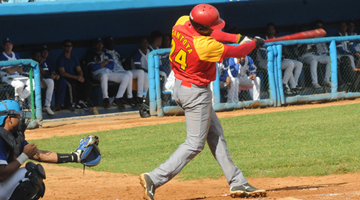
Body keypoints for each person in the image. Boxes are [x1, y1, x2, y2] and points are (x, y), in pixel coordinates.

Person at [139, 4, 266, 200]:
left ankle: (237, 181)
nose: (214, 29)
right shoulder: (204, 47)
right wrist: (253, 44)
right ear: (202, 28)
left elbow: (214, 34)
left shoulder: (181, 23)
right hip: (195, 94)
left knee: (215, 134)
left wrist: (239, 37)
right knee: (194, 144)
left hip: (182, 86)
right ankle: (154, 178)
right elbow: (236, 52)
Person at [0, 100, 83, 200]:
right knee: (31, 175)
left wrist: (76, 157)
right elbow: (0, 175)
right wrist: (24, 155)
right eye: (18, 115)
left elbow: (39, 155)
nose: (21, 118)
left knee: (37, 184)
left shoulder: (12, 137)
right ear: (9, 119)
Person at [86, 37, 133, 109]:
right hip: (97, 74)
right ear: (94, 45)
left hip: (108, 72)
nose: (100, 45)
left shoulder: (107, 55)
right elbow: (93, 67)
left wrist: (100, 65)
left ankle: (118, 98)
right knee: (104, 76)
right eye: (98, 44)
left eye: (101, 44)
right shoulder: (91, 55)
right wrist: (105, 63)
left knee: (126, 77)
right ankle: (105, 99)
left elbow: (111, 66)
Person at [258, 23, 303, 95]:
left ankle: (286, 84)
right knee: (284, 65)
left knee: (292, 64)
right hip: (264, 62)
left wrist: (282, 55)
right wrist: (278, 57)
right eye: (269, 29)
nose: (271, 30)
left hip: (276, 61)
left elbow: (283, 53)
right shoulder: (263, 40)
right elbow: (264, 56)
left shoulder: (277, 40)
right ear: (267, 31)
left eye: (273, 29)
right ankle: (288, 87)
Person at [104, 37, 148, 103]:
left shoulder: (116, 52)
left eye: (112, 42)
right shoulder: (104, 53)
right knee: (129, 74)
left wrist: (126, 66)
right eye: (110, 43)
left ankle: (140, 96)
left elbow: (124, 61)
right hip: (114, 73)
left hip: (122, 71)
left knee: (140, 72)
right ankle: (129, 97)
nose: (111, 44)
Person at [57, 39, 93, 111]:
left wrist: (80, 76)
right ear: (63, 47)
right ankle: (72, 103)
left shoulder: (74, 57)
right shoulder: (61, 58)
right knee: (72, 85)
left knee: (88, 83)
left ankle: (82, 101)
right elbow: (62, 73)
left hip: (74, 76)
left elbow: (79, 69)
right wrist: (76, 77)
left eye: (70, 46)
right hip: (65, 77)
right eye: (67, 46)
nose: (69, 47)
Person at [0, 38, 34, 108]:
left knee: (33, 82)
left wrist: (13, 68)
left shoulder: (15, 55)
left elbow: (20, 70)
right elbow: (9, 72)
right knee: (19, 85)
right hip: (6, 77)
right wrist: (16, 66)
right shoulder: (2, 57)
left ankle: (19, 99)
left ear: (12, 46)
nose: (8, 46)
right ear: (3, 46)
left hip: (17, 76)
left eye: (10, 44)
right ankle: (18, 101)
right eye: (6, 45)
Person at [40, 45, 68, 112]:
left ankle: (59, 104)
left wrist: (55, 75)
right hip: (43, 80)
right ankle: (47, 105)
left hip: (50, 80)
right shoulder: (38, 62)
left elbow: (53, 71)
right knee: (50, 81)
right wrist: (50, 76)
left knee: (62, 82)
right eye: (44, 51)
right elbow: (43, 74)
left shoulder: (48, 62)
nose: (45, 53)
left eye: (47, 51)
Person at [31, 49, 55, 116]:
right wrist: (41, 80)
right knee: (30, 84)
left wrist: (39, 66)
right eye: (37, 56)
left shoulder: (43, 63)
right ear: (33, 57)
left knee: (50, 81)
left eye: (39, 56)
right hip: (31, 83)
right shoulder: (29, 62)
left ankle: (47, 106)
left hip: (39, 82)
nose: (38, 57)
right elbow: (31, 76)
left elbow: (46, 74)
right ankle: (31, 107)